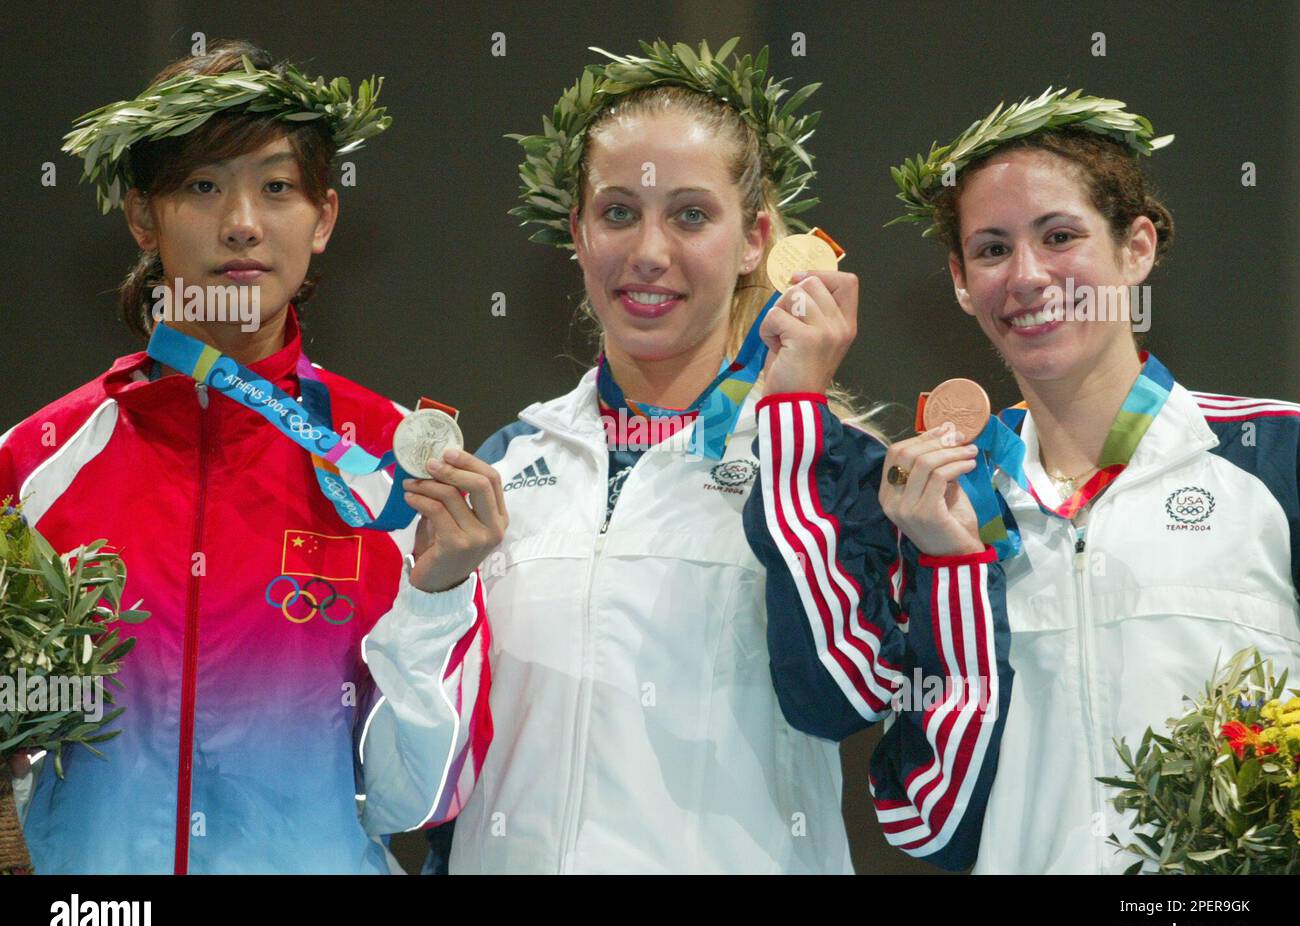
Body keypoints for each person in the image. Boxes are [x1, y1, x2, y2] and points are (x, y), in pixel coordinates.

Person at [433, 38, 1008, 874]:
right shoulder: (507, 463)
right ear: (579, 235)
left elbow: (836, 699)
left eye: (691, 215)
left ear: (756, 242)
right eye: (619, 212)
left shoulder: (841, 466)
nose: (650, 252)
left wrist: (792, 420)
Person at [759, 88, 1300, 873]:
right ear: (958, 278)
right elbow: (927, 825)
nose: (1028, 275)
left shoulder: (1271, 455)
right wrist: (951, 569)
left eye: (1060, 235)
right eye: (991, 249)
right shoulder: (937, 503)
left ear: (1137, 247)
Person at [0, 41, 500, 873]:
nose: (241, 222)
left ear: (325, 220)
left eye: (277, 188)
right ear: (141, 217)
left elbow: (421, 800)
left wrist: (437, 597)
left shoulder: (396, 470)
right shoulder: (36, 463)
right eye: (202, 185)